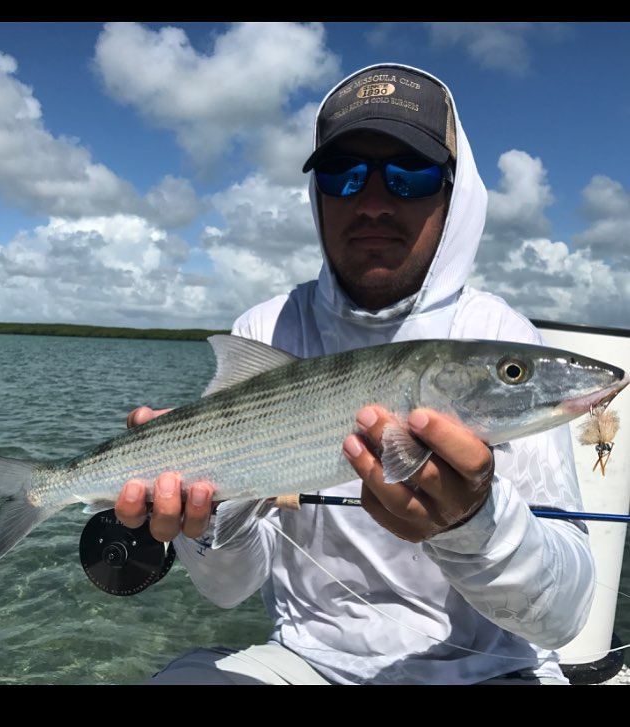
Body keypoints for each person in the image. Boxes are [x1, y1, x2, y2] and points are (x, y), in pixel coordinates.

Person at [115, 63, 595, 684]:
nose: (372, 203)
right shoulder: (265, 328)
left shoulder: (503, 338)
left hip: (491, 672)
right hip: (309, 663)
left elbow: (564, 617)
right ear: (315, 196)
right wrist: (202, 528)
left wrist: (473, 523)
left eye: (410, 174)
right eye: (342, 176)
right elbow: (230, 591)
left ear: (456, 193)